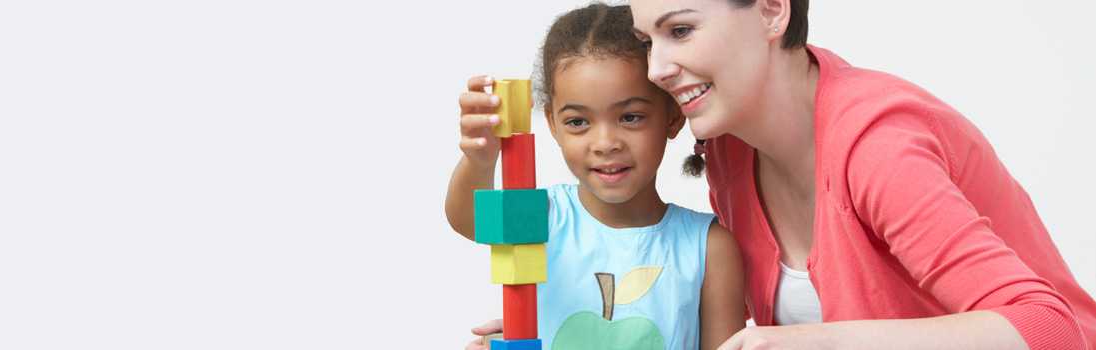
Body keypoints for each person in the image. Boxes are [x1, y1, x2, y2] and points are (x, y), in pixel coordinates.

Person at [623, 0, 1096, 348]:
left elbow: (1051, 331)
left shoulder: (877, 146)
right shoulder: (731, 145)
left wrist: (810, 342)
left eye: (680, 31)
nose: (657, 69)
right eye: (647, 43)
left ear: (771, 10)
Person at [447, 4, 745, 350]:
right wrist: (480, 159)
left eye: (630, 117)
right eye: (578, 122)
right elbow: (467, 218)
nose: (605, 144)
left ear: (673, 117)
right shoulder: (543, 216)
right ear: (554, 124)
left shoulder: (709, 248)